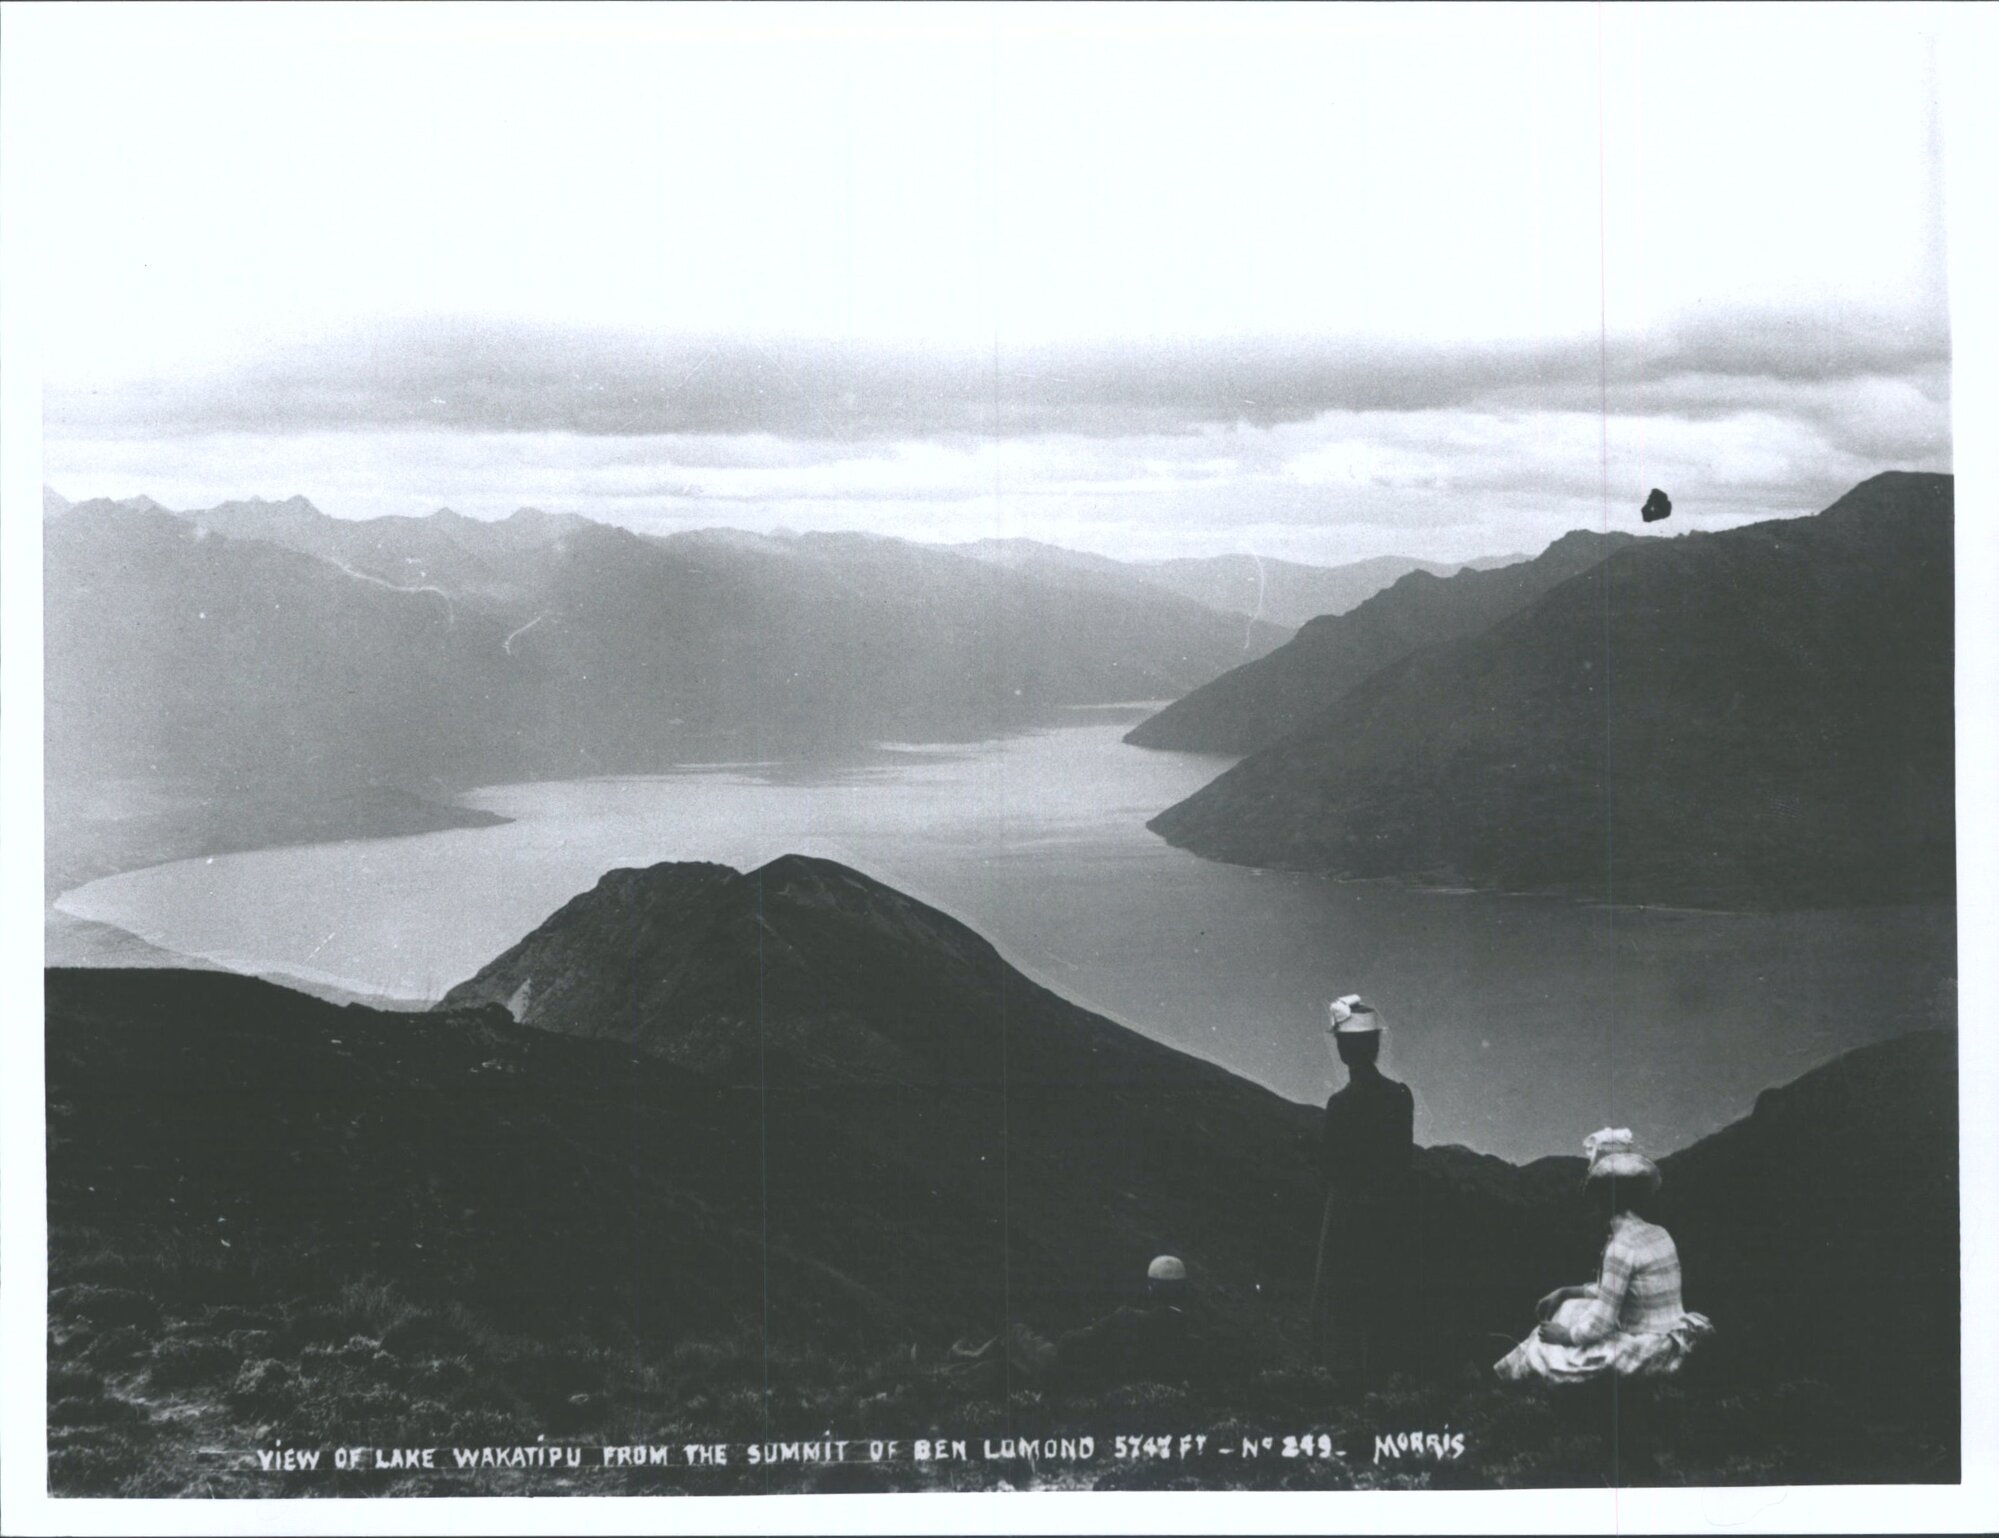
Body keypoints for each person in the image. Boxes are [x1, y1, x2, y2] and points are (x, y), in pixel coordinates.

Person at [1495, 1128, 1713, 1387]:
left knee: (1545, 1349)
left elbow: (1601, 1323)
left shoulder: (1620, 1247)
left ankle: (1510, 1387)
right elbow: (1618, 1290)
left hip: (1650, 1349)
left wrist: (1567, 1336)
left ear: (1604, 1202)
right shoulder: (1659, 1232)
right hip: (1676, 1336)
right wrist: (1567, 1291)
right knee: (1568, 1307)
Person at [1309, 994, 1414, 1377]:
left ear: (1346, 1049)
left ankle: (1345, 1380)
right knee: (1382, 1301)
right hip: (1388, 1214)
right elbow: (1402, 1161)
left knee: (1343, 1302)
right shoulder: (1399, 1097)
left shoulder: (1341, 1104)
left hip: (1348, 1215)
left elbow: (1330, 1167)